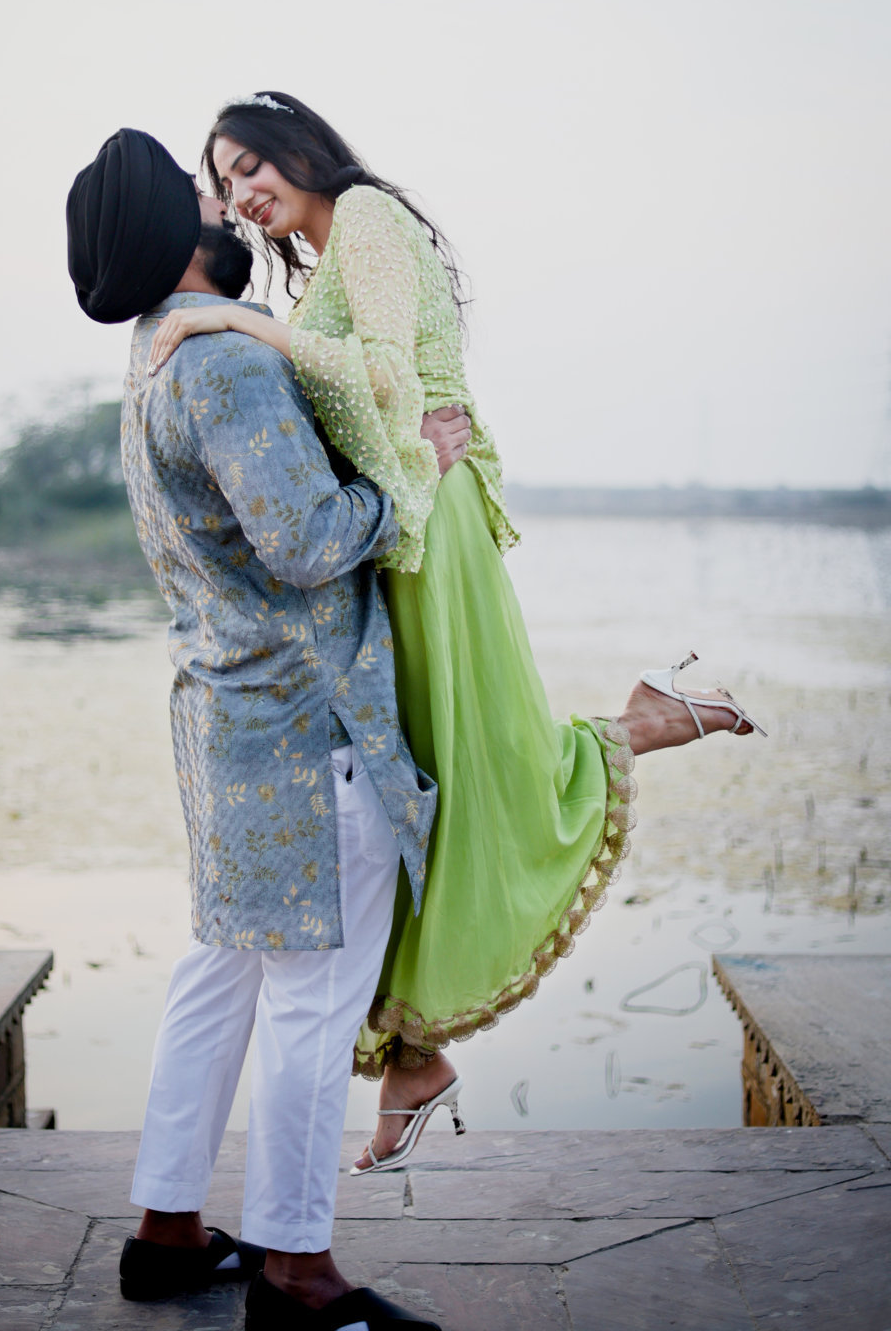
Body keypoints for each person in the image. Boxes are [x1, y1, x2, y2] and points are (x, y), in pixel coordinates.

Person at [145, 91, 767, 1176]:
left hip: (437, 526)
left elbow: (385, 378)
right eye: (226, 178)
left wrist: (233, 319)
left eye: (250, 166)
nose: (244, 193)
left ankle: (647, 723)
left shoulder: (370, 220)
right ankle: (415, 1058)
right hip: (398, 528)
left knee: (476, 773)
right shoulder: (322, 257)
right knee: (418, 791)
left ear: (300, 151)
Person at [66, 126, 463, 1329]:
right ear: (174, 236)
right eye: (206, 197)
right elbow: (307, 544)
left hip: (222, 721)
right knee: (310, 996)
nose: (231, 212)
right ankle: (297, 1271)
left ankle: (168, 1227)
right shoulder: (228, 370)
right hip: (302, 731)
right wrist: (418, 473)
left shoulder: (153, 356)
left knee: (222, 974)